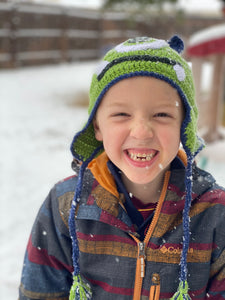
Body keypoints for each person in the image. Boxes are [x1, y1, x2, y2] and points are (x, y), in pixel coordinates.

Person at [19, 36, 225, 300]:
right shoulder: (65, 205)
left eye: (162, 114)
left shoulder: (215, 214)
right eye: (121, 115)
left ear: (183, 125)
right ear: (97, 126)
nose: (141, 132)